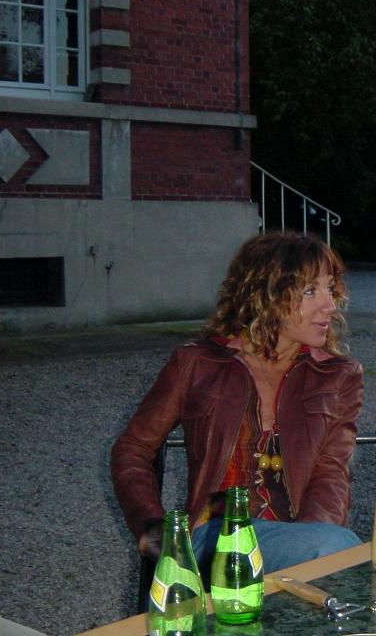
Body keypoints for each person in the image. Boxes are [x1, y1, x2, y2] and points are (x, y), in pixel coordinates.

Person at [111, 232, 363, 575]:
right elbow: (133, 448)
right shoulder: (196, 363)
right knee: (341, 552)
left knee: (337, 550)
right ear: (266, 294)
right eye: (310, 291)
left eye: (330, 289)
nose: (329, 305)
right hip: (215, 534)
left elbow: (330, 473)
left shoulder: (338, 375)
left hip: (298, 540)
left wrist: (308, 548)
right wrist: (152, 526)